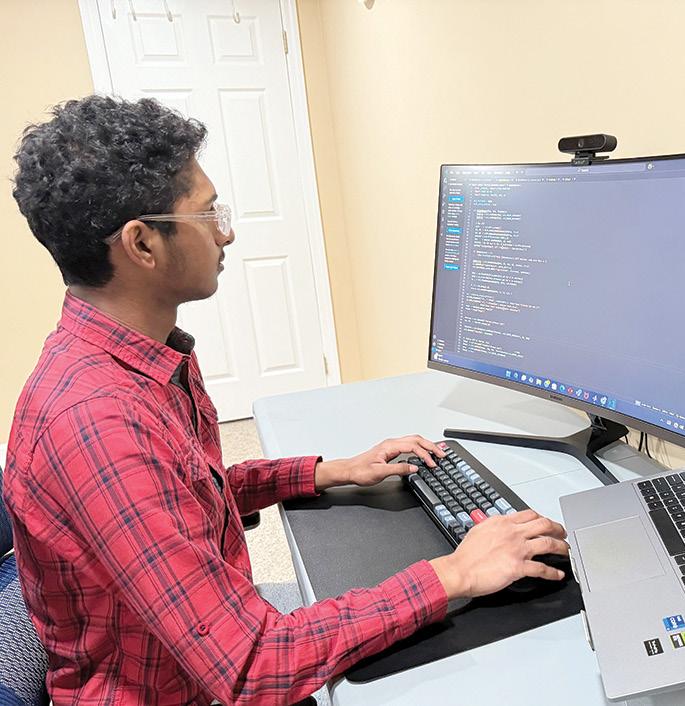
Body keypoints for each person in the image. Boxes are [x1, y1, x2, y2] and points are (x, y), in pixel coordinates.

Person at [3, 95, 569, 705]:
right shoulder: (98, 420)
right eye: (207, 213)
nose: (226, 231)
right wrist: (455, 572)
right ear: (142, 244)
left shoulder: (139, 360)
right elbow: (252, 667)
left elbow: (187, 493)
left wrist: (332, 471)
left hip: (191, 653)